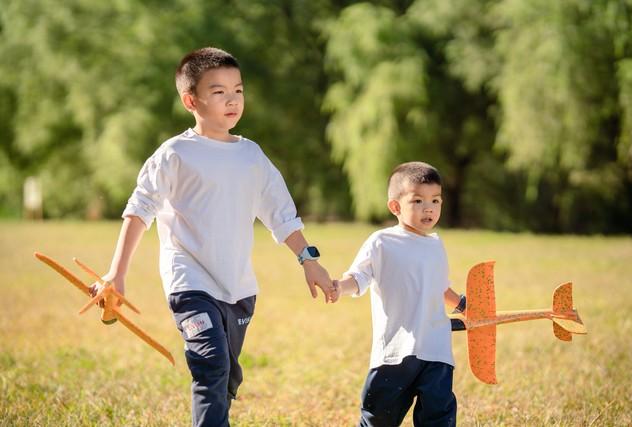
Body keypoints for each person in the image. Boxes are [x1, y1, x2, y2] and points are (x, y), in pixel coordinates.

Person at [90, 47, 336, 427]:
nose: (233, 99)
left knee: (227, 378)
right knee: (211, 365)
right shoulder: (175, 154)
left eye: (238, 90)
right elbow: (140, 211)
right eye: (219, 92)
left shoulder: (252, 156)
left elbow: (282, 216)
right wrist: (115, 273)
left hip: (239, 290)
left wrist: (310, 261)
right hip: (190, 284)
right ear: (191, 100)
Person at [332, 161, 466, 427]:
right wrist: (339, 287)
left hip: (436, 349)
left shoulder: (436, 245)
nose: (429, 208)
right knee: (378, 416)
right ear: (395, 206)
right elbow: (359, 277)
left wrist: (462, 304)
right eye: (417, 201)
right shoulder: (382, 242)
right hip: (395, 352)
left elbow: (439, 286)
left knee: (438, 417)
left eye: (436, 200)